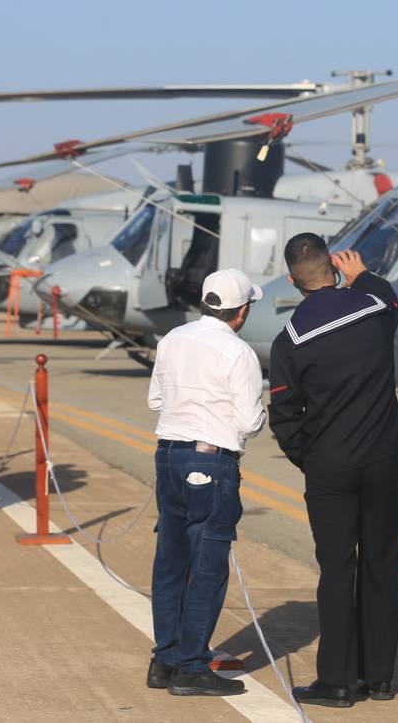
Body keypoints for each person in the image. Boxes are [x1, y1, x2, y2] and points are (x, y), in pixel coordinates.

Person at [268, 236, 398, 708]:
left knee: (336, 568)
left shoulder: (290, 339)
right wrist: (362, 273)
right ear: (333, 266)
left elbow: (285, 416)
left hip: (331, 465)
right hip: (384, 457)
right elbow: (390, 297)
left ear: (293, 280)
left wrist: (311, 458)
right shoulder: (372, 306)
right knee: (383, 561)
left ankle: (337, 681)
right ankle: (381, 677)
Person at [146, 268, 264, 699]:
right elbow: (250, 421)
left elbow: (155, 400)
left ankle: (165, 657)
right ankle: (192, 665)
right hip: (212, 459)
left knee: (171, 561)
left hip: (169, 452)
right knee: (208, 565)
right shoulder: (238, 352)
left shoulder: (172, 339)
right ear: (241, 311)